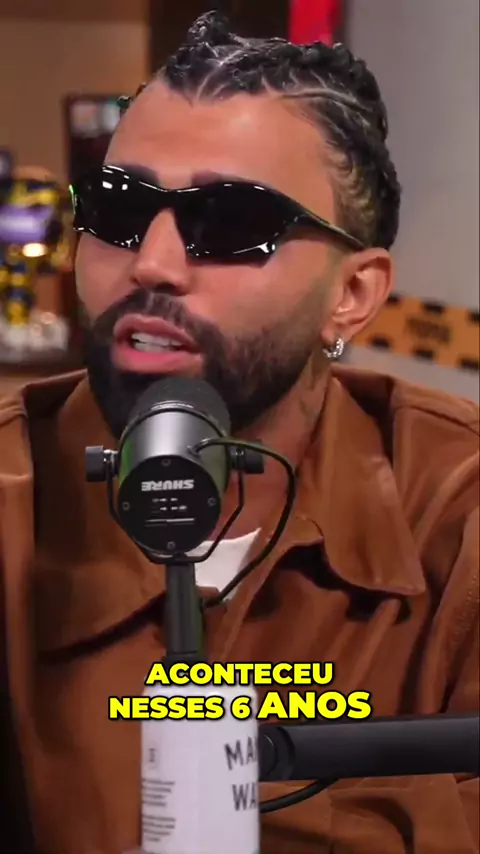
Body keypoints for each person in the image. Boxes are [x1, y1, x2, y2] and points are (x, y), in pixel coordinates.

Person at [0, 10, 478, 854]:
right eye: (119, 209)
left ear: (353, 295)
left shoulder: (459, 508)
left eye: (226, 223)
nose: (151, 264)